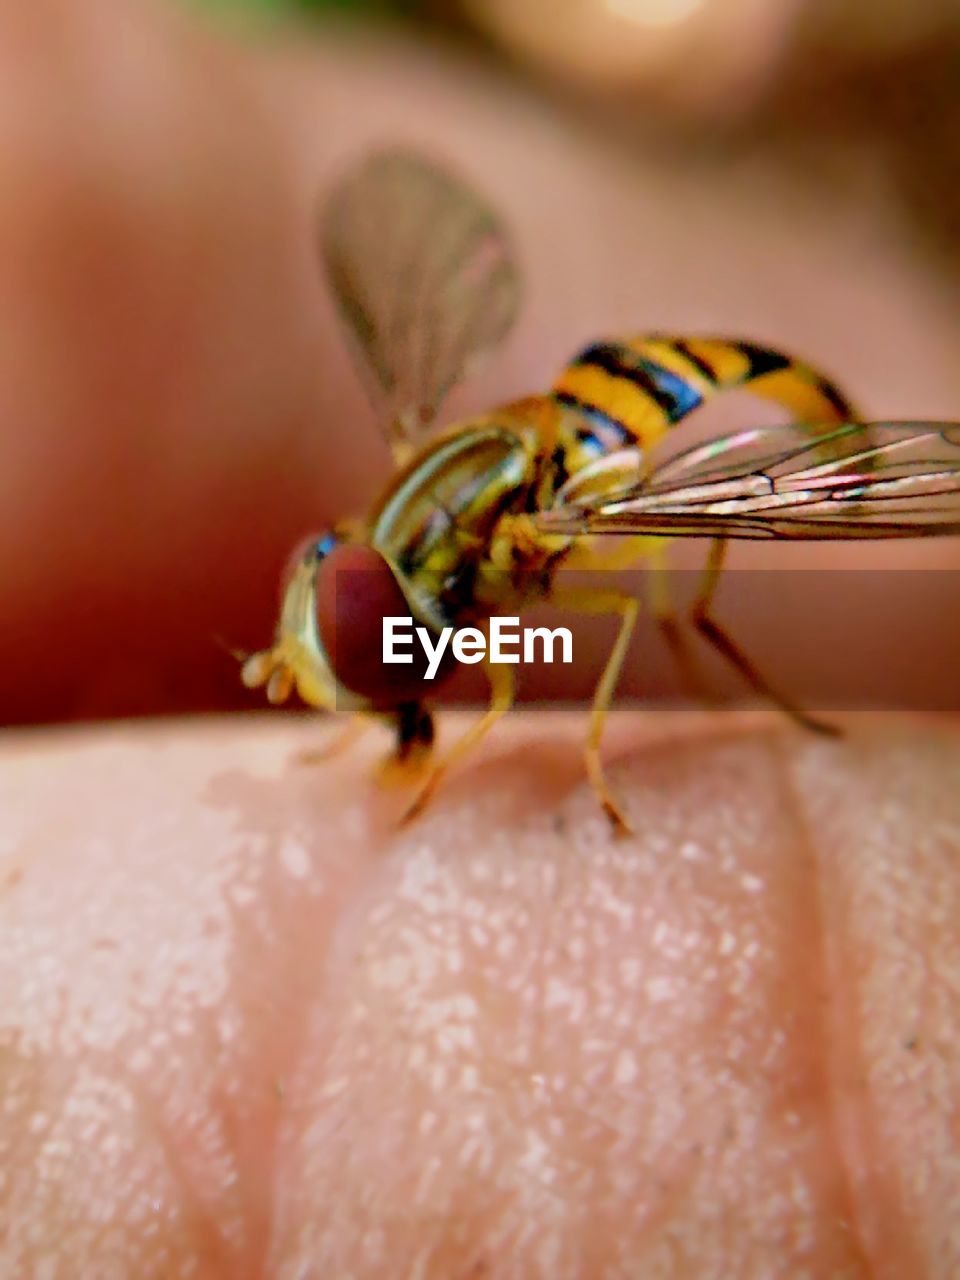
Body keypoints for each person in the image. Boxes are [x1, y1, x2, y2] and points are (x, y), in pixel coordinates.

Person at [2, 0, 959, 1273]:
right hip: (562, 420)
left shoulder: (520, 543)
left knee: (654, 585)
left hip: (637, 433)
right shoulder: (409, 547)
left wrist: (590, 754)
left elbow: (533, 648)